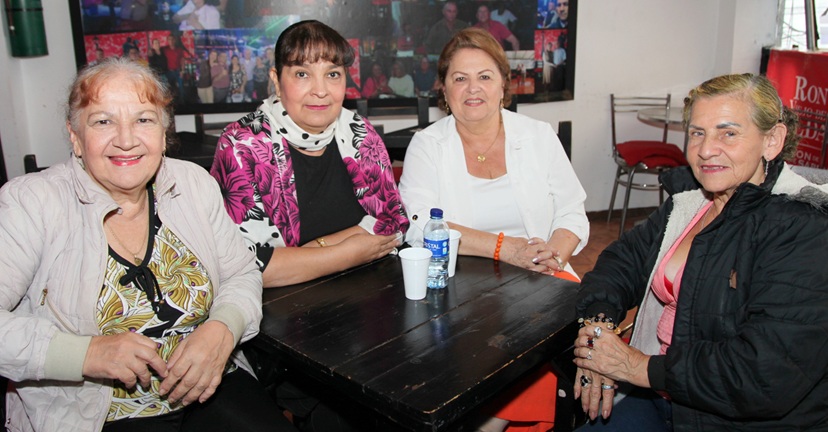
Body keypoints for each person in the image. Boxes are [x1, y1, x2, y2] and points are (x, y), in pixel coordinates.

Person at [0, 57, 296, 432]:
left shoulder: (192, 183)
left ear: (163, 131)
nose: (126, 139)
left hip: (207, 386)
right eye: (103, 121)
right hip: (93, 412)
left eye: (143, 119)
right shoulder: (30, 203)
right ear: (75, 136)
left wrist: (223, 327)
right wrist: (86, 353)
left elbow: (240, 273)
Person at [572, 73, 828, 431]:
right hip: (665, 398)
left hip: (734, 419)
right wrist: (598, 326)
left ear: (772, 140)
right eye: (697, 133)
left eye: (729, 133)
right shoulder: (690, 203)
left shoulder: (804, 227)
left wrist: (633, 366)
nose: (706, 150)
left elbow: (765, 372)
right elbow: (622, 261)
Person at [399, 27, 588, 432]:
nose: (473, 89)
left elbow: (572, 212)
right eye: (460, 78)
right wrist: (506, 249)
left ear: (504, 84)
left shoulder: (537, 136)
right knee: (502, 343)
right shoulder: (428, 145)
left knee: (556, 331)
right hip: (464, 281)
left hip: (542, 272)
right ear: (444, 90)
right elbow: (418, 226)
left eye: (485, 76)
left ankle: (493, 421)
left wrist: (551, 254)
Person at [210, 19, 407, 288]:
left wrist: (309, 252)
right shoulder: (242, 145)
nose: (321, 90)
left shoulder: (359, 131)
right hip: (283, 313)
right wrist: (346, 253)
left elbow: (394, 223)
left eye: (333, 74)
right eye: (302, 74)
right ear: (276, 81)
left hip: (374, 293)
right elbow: (248, 265)